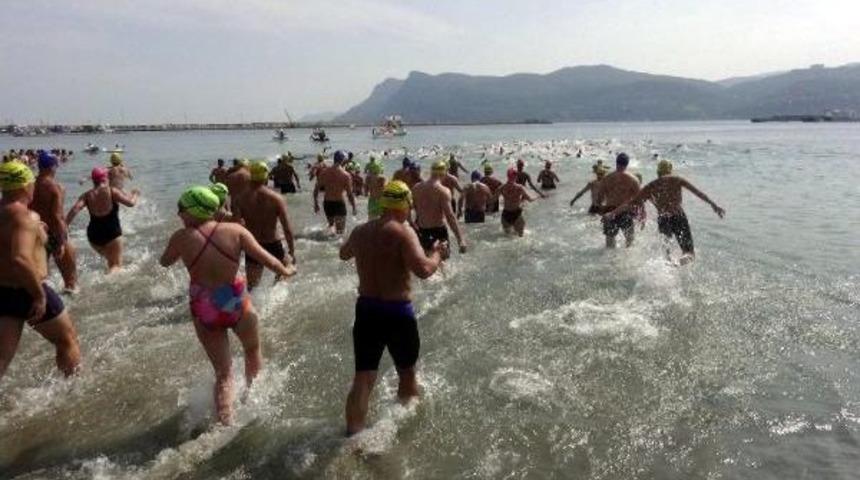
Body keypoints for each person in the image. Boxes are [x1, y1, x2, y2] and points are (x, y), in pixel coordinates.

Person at [159, 186, 296, 425]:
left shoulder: (181, 238)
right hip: (233, 299)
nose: (178, 214)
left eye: (181, 209)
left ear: (193, 211)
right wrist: (287, 269)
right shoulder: (236, 231)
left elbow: (164, 262)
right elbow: (267, 258)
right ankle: (253, 404)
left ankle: (225, 423)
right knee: (252, 352)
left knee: (223, 373)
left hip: (204, 305)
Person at [338, 180, 444, 435]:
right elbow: (424, 270)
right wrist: (438, 253)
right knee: (407, 373)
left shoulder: (360, 231)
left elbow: (343, 254)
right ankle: (406, 428)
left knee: (363, 377)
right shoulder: (402, 231)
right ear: (404, 204)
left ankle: (353, 434)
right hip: (397, 313)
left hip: (366, 311)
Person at [0, 161, 81, 380]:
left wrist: (41, 236)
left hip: (3, 291)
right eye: (30, 182)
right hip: (27, 291)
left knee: (2, 358)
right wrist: (38, 295)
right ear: (24, 185)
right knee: (67, 339)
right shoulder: (25, 217)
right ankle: (71, 388)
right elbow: (20, 258)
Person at [606, 159, 725, 264]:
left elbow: (631, 203)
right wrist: (713, 205)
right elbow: (698, 193)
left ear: (658, 171)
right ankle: (682, 260)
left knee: (667, 255)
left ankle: (668, 265)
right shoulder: (677, 180)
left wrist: (612, 213)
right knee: (689, 253)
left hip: (663, 219)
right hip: (678, 216)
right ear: (670, 170)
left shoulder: (651, 186)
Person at [235, 162, 296, 290]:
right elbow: (287, 228)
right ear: (266, 177)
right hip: (273, 242)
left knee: (252, 287)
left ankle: (251, 307)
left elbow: (237, 227)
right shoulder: (276, 198)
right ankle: (274, 294)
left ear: (251, 177)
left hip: (253, 244)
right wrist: (292, 250)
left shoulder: (239, 198)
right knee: (286, 271)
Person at [66, 167, 139, 273]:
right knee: (116, 265)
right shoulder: (111, 191)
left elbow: (75, 209)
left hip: (94, 237)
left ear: (93, 180)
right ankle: (106, 283)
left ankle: (110, 275)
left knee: (111, 262)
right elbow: (130, 203)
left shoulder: (86, 195)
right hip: (112, 233)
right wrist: (135, 194)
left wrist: (65, 226)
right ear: (105, 178)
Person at [31, 152, 78, 292]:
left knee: (39, 280)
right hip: (54, 234)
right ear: (53, 167)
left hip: (36, 234)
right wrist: (62, 241)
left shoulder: (29, 186)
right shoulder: (56, 187)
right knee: (71, 283)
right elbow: (57, 216)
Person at [411, 160, 467, 258]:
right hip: (438, 231)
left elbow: (411, 209)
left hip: (422, 231)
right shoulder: (443, 191)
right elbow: (450, 216)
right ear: (444, 173)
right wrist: (460, 239)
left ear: (431, 172)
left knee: (427, 261)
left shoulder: (416, 188)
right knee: (443, 263)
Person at [594, 153, 641, 248]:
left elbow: (599, 200)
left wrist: (602, 211)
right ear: (627, 164)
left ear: (616, 163)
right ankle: (627, 261)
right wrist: (641, 214)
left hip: (609, 211)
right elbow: (639, 200)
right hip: (625, 212)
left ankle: (611, 262)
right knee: (630, 241)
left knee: (610, 243)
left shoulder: (606, 179)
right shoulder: (633, 180)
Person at [313, 150, 356, 235]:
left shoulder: (324, 172)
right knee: (340, 233)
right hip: (339, 203)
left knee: (331, 226)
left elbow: (316, 189)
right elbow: (349, 194)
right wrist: (354, 206)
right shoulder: (346, 175)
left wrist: (316, 203)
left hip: (327, 203)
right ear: (343, 160)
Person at [496, 168, 536, 237]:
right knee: (521, 237)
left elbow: (493, 199)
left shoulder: (502, 188)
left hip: (505, 214)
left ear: (507, 176)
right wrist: (536, 197)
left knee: (506, 237)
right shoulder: (519, 187)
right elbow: (529, 199)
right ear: (516, 176)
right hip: (516, 214)